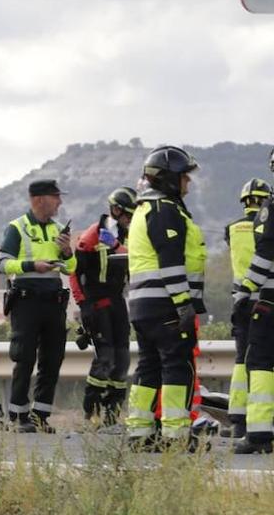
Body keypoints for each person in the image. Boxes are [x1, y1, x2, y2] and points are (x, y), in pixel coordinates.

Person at [124, 145, 206, 450]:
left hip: (143, 306)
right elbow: (171, 261)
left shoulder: (144, 209)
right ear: (169, 179)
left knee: (149, 366)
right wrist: (184, 303)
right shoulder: (165, 210)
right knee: (176, 365)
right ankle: (175, 436)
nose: (188, 183)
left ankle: (139, 432)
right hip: (166, 304)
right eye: (185, 177)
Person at [0, 178, 76, 432]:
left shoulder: (60, 229)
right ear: (40, 199)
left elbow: (72, 269)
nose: (60, 202)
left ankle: (41, 417)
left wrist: (67, 253)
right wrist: (32, 266)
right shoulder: (16, 228)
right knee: (25, 357)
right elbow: (2, 263)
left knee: (53, 359)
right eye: (56, 197)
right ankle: (19, 417)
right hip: (26, 301)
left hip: (54, 301)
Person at [71, 186, 136, 425]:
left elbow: (136, 260)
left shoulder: (129, 235)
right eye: (128, 215)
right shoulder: (92, 235)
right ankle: (91, 413)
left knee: (123, 360)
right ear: (116, 210)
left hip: (118, 302)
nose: (131, 220)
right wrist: (83, 304)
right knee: (105, 358)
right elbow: (74, 273)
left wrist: (118, 247)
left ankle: (112, 415)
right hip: (96, 303)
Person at [223, 178, 271, 439]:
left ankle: (238, 419)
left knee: (242, 359)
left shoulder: (231, 228)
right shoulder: (265, 222)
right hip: (263, 296)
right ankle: (262, 419)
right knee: (262, 360)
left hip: (240, 300)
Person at [232, 154, 274, 454]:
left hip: (269, 300)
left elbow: (265, 255)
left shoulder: (269, 210)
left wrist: (245, 290)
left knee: (259, 362)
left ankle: (258, 435)